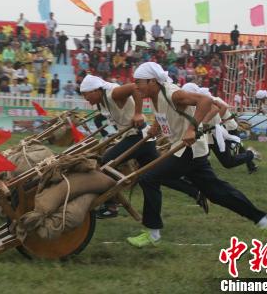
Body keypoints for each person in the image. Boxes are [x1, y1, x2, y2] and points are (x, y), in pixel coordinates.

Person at [127, 62, 267, 248]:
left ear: (152, 81)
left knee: (148, 178)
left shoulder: (172, 93)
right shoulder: (156, 96)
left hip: (188, 150)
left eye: (138, 82)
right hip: (189, 150)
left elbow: (206, 101)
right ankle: (263, 219)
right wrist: (155, 129)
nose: (135, 86)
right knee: (217, 193)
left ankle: (153, 233)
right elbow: (166, 116)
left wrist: (192, 129)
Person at [79, 74, 208, 219]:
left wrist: (138, 113)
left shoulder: (113, 93)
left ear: (95, 90)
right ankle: (194, 191)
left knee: (105, 163)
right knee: (157, 175)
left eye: (86, 94)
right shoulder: (102, 101)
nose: (85, 99)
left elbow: (134, 88)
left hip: (137, 137)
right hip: (143, 140)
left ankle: (110, 206)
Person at [181, 83, 260, 174]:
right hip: (208, 134)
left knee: (229, 161)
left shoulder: (207, 100)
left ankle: (250, 155)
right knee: (200, 157)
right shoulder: (196, 102)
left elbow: (216, 108)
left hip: (216, 133)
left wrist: (205, 122)